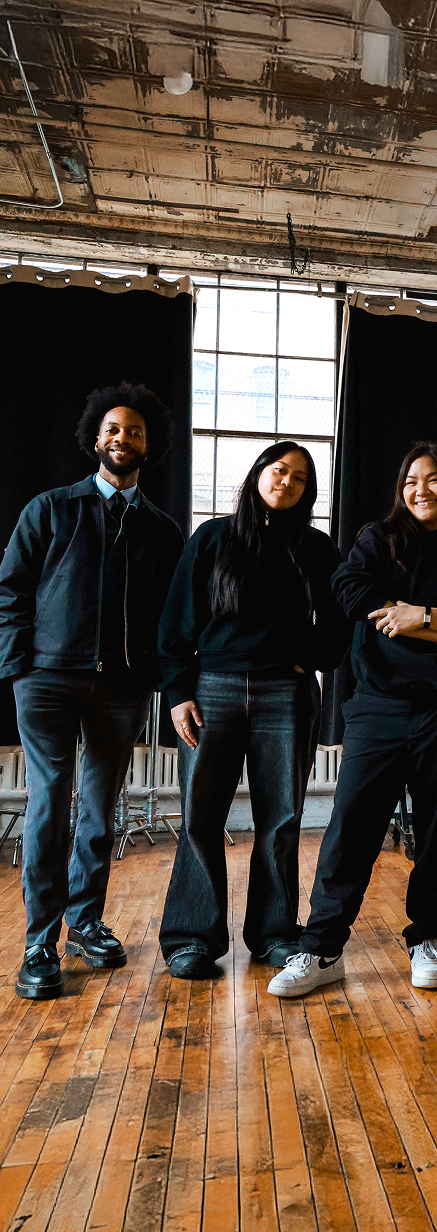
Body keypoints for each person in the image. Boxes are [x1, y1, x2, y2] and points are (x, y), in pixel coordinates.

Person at [267, 443, 437, 998]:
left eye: (434, 479)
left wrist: (421, 616)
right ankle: (321, 948)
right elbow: (351, 592)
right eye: (411, 481)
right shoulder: (379, 538)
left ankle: (428, 939)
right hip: (378, 705)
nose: (422, 490)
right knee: (350, 828)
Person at [0, 382, 183, 1000]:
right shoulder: (50, 509)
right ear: (94, 438)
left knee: (100, 810)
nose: (121, 438)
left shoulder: (163, 530)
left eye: (134, 431)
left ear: (149, 445)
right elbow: (10, 589)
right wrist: (18, 668)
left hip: (122, 688)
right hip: (47, 681)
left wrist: (159, 678)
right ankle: (39, 943)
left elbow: (170, 616)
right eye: (112, 429)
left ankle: (84, 922)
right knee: (50, 807)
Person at [157, 441, 348, 978]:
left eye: (299, 478)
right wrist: (178, 693)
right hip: (211, 691)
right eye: (279, 469)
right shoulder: (212, 538)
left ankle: (275, 933)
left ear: (308, 491)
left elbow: (340, 626)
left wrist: (311, 656)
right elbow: (176, 621)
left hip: (285, 695)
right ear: (259, 473)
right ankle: (192, 937)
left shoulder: (316, 548)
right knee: (199, 816)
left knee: (281, 819)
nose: (286, 481)